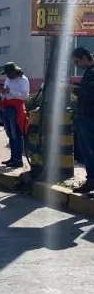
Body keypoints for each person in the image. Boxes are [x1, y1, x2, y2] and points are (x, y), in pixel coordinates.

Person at [69, 47, 94, 193]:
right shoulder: (88, 72)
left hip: (89, 118)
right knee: (86, 151)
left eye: (77, 61)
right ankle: (90, 181)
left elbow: (90, 92)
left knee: (90, 151)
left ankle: (91, 181)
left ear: (85, 57)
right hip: (84, 117)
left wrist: (72, 89)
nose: (76, 65)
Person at [0, 62, 29, 168]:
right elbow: (4, 93)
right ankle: (12, 157)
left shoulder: (23, 80)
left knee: (17, 134)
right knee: (10, 134)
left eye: (9, 73)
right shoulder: (7, 79)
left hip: (16, 108)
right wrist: (3, 92)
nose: (7, 76)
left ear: (14, 72)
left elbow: (25, 96)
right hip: (7, 106)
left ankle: (18, 159)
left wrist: (10, 91)